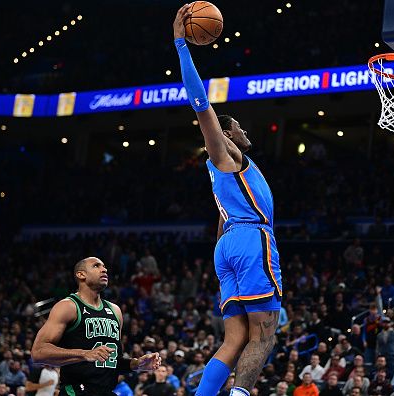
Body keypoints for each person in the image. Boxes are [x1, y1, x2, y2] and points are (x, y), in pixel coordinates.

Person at [173, 6, 283, 396]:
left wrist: (223, 247)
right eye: (230, 128)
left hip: (228, 244)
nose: (237, 128)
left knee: (233, 339)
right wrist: (181, 45)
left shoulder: (232, 172)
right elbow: (201, 106)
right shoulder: (226, 157)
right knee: (265, 336)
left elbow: (223, 222)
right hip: (251, 240)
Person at [31, 257, 161, 395]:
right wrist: (84, 354)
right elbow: (38, 352)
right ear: (81, 275)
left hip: (107, 391)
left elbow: (113, 362)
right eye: (96, 266)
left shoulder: (115, 311)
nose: (104, 269)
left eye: (104, 266)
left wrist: (136, 364)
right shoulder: (68, 306)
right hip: (76, 391)